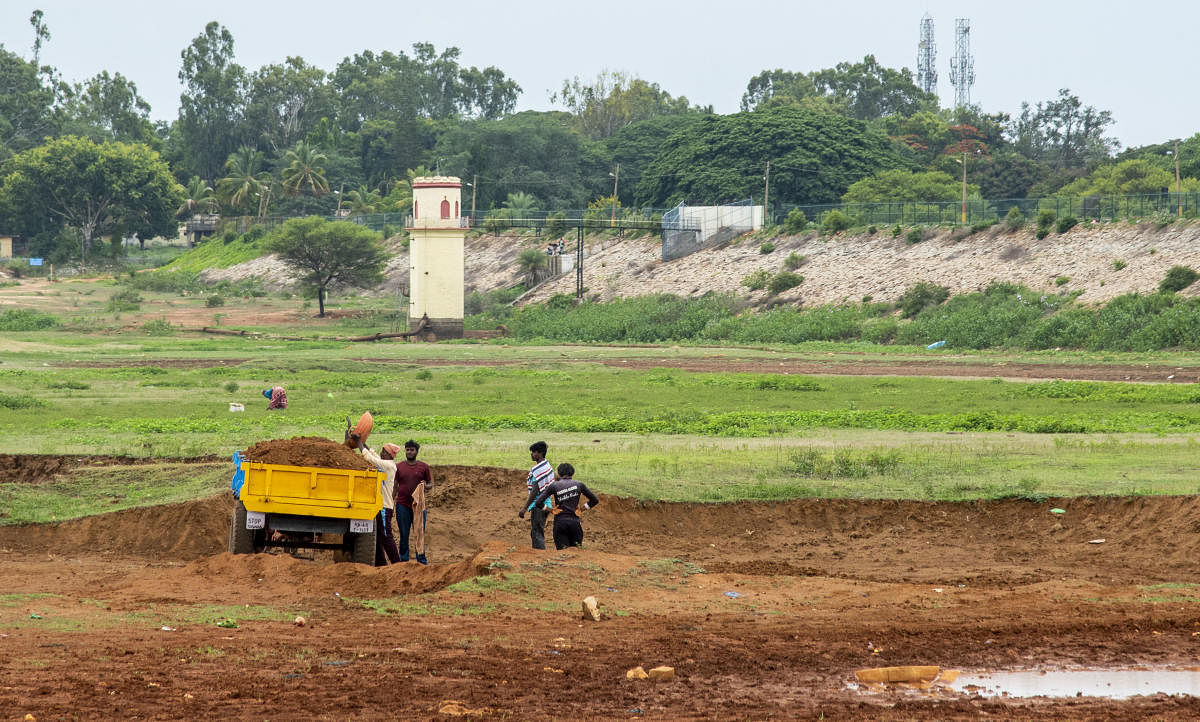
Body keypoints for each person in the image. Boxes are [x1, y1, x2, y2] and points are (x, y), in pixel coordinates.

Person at [530, 463, 599, 550]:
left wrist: (551, 510)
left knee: (562, 554)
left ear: (559, 474)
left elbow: (538, 502)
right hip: (575, 524)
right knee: (576, 553)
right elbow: (595, 500)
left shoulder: (554, 485)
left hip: (560, 523)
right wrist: (581, 509)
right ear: (572, 473)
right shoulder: (579, 484)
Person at [357, 440, 402, 566]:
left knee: (386, 537)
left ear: (389, 455)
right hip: (380, 506)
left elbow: (370, 458)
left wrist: (358, 443)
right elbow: (374, 455)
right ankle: (381, 565)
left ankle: (397, 564)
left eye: (383, 451)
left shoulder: (389, 465)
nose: (381, 453)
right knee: (378, 537)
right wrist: (361, 441)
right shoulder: (386, 463)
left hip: (384, 507)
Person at [393, 439, 433, 564]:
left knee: (419, 533)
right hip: (402, 505)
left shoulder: (424, 467)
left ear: (417, 451)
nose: (409, 452)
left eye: (412, 450)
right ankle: (404, 560)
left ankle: (421, 560)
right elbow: (395, 485)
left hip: (419, 507)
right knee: (404, 535)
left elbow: (430, 484)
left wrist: (425, 486)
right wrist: (391, 501)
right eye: (407, 450)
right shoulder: (398, 466)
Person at [517, 441, 555, 549]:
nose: (531, 454)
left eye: (533, 452)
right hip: (546, 504)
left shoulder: (538, 470)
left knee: (537, 533)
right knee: (538, 531)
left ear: (540, 453)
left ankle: (539, 557)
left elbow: (534, 491)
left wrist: (524, 508)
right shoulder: (547, 466)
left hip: (539, 506)